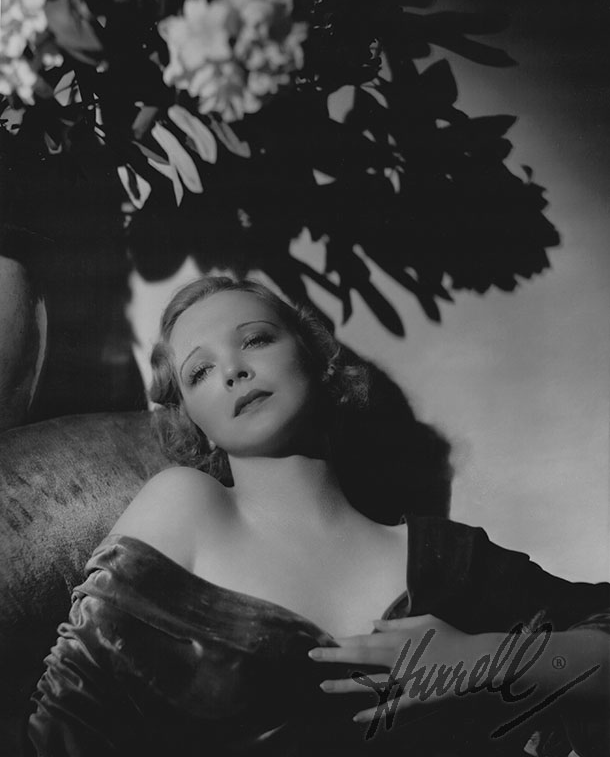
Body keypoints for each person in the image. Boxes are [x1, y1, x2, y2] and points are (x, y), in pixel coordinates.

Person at [27, 277, 609, 756]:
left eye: (255, 340)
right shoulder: (185, 506)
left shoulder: (444, 555)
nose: (232, 370)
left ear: (316, 358)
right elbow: (66, 726)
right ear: (194, 423)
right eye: (199, 372)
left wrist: (488, 659)